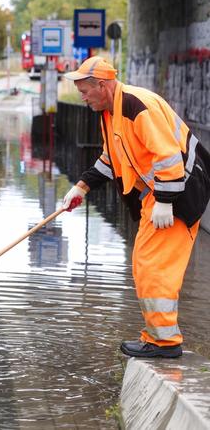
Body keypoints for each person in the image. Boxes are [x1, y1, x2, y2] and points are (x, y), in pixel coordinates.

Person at [62, 56, 206, 358]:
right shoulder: (110, 111)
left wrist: (166, 202)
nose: (83, 98)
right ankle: (157, 336)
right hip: (161, 194)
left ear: (102, 85)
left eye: (86, 92)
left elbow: (167, 157)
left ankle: (165, 343)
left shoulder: (136, 106)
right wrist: (82, 186)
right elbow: (112, 159)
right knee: (144, 264)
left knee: (155, 268)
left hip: (179, 193)